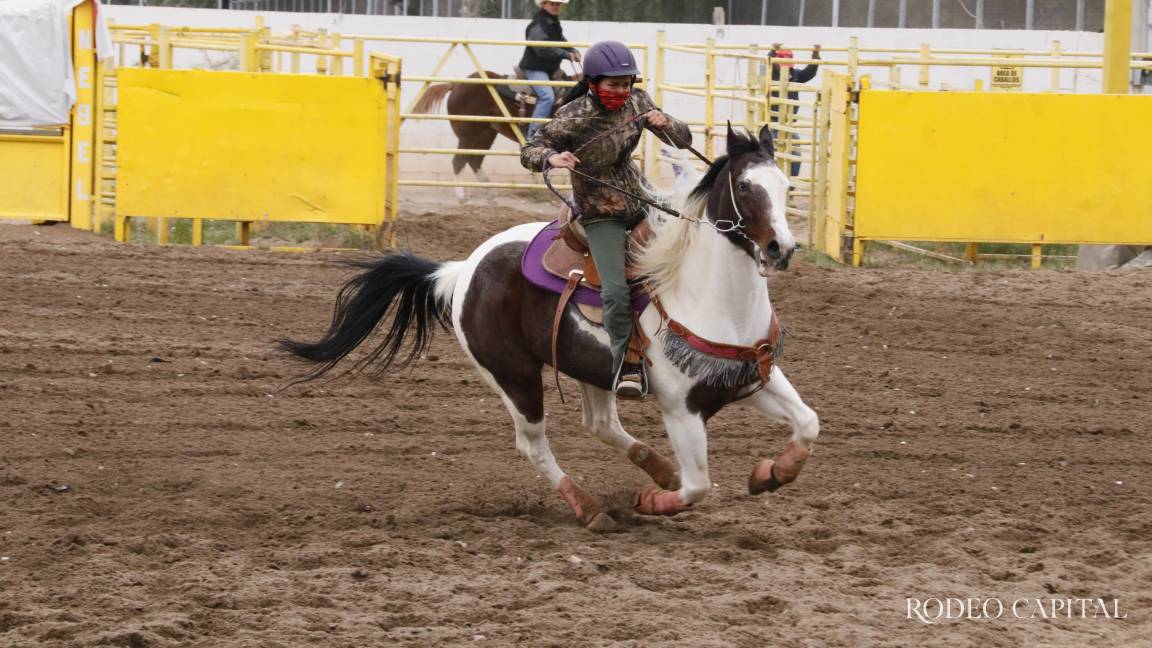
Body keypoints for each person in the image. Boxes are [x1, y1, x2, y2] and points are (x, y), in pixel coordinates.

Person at [521, 41, 692, 399]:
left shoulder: (640, 101)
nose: (621, 91)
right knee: (615, 290)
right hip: (601, 214)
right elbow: (530, 150)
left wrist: (667, 122)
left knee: (692, 242)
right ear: (594, 82)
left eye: (626, 83)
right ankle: (626, 365)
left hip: (641, 198)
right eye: (613, 85)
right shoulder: (573, 115)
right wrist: (551, 157)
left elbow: (682, 139)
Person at [519, 0, 581, 139]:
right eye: (552, 3)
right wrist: (566, 54)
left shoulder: (552, 23)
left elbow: (561, 42)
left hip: (547, 69)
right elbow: (541, 49)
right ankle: (532, 137)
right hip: (535, 69)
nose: (555, 6)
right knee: (547, 97)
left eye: (558, 4)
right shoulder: (539, 24)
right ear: (544, 4)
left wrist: (572, 50)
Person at [768, 43, 821, 177]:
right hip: (773, 122)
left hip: (788, 123)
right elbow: (768, 62)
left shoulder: (795, 75)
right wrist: (773, 51)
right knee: (769, 155)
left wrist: (815, 54)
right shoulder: (771, 75)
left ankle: (791, 183)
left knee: (796, 153)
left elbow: (809, 72)